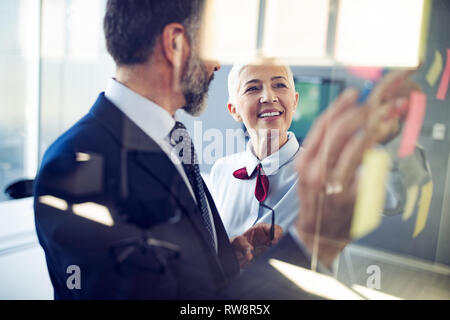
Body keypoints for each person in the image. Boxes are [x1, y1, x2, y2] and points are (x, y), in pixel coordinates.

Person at [33, 0, 418, 299]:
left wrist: (222, 258)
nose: (217, 64)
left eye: (280, 85)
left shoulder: (174, 141)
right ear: (176, 44)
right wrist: (312, 245)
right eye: (214, 47)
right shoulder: (75, 169)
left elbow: (174, 279)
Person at [209, 59, 431, 247]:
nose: (269, 96)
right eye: (253, 88)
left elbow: (394, 199)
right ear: (234, 110)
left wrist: (388, 137)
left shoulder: (324, 171)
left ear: (295, 102)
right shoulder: (221, 170)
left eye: (279, 85)